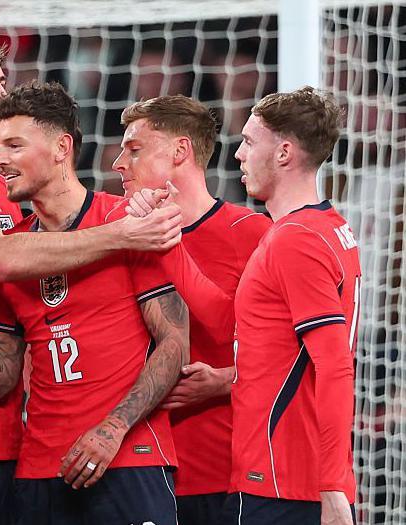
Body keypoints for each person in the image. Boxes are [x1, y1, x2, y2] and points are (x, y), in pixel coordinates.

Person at [0, 33, 183, 525]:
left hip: (17, 445)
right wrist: (124, 234)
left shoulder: (8, 199)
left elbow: (177, 337)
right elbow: (3, 259)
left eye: (1, 82)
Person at [112, 95, 271, 524]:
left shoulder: (252, 233)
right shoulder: (115, 236)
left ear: (180, 151)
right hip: (132, 471)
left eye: (135, 149)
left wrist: (226, 380)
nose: (118, 164)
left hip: (223, 471)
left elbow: (291, 353)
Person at [223, 86, 359, 525]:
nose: (239, 154)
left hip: (283, 483)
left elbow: (334, 366)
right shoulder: (328, 228)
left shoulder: (295, 240)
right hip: (287, 479)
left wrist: (332, 485)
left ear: (284, 153)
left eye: (249, 141)